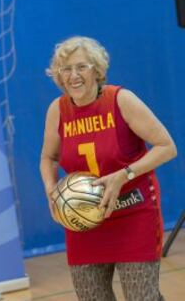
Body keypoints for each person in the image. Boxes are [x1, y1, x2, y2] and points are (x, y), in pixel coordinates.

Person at [40, 36, 177, 301]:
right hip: (84, 217)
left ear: (97, 69)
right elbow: (48, 157)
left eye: (81, 67)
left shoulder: (121, 100)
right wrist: (51, 189)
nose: (73, 76)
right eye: (65, 69)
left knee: (141, 297)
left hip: (133, 211)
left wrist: (123, 175)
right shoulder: (57, 110)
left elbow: (167, 147)